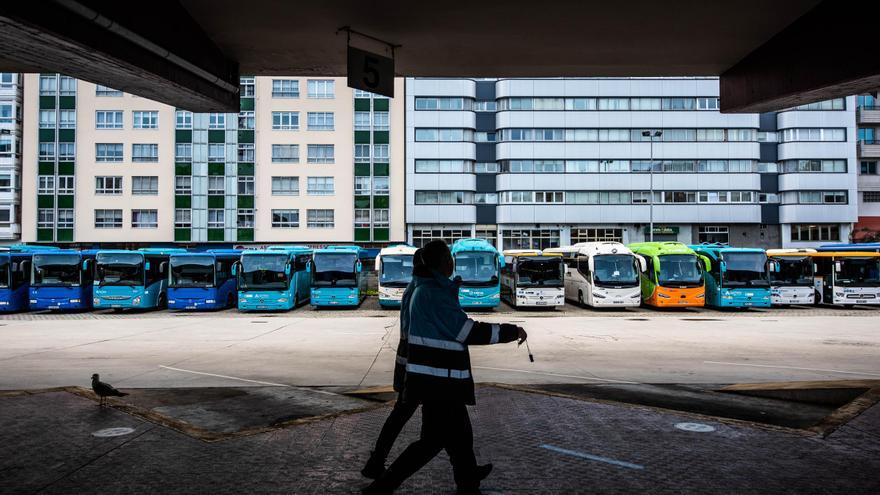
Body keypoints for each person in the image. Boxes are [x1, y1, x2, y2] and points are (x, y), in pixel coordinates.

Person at [362, 240, 527, 495]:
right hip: (439, 384)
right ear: (440, 264)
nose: (452, 262)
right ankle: (383, 486)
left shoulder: (427, 290)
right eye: (449, 257)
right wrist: (510, 331)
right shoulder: (433, 294)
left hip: (437, 382)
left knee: (461, 437)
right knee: (430, 444)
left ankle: (468, 481)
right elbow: (466, 331)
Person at [360, 249, 423, 479]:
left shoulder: (412, 288)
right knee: (436, 429)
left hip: (411, 363)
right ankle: (380, 470)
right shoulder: (423, 291)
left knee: (402, 416)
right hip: (420, 367)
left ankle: (467, 471)